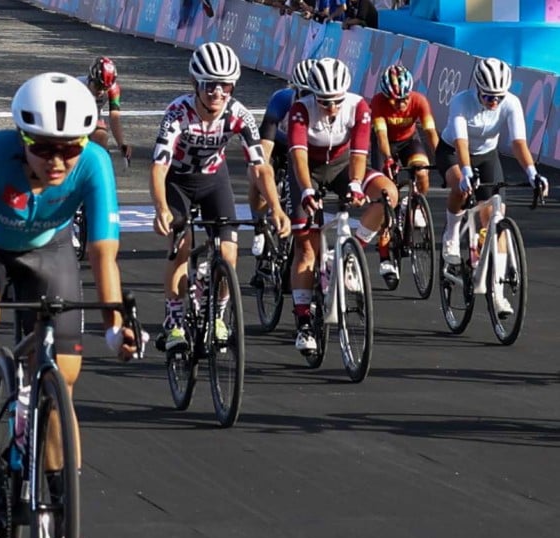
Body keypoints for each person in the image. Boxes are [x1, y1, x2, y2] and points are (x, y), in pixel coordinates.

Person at [0, 72, 144, 538]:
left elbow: (102, 254)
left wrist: (115, 322)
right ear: (21, 138)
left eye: (69, 149)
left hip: (47, 250)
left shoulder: (95, 164)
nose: (57, 161)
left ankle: (62, 523)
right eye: (43, 148)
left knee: (62, 385)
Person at [150, 42, 290, 351]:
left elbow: (261, 168)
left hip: (214, 180)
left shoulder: (238, 113)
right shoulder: (177, 112)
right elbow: (159, 167)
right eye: (209, 85)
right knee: (181, 248)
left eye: (225, 85)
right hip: (179, 182)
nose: (217, 92)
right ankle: (173, 321)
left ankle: (218, 315)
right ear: (195, 84)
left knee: (228, 254)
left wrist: (276, 209)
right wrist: (161, 208)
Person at [286, 57, 397, 352]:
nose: (332, 108)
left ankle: (352, 251)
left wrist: (355, 184)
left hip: (343, 164)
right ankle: (304, 321)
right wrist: (307, 190)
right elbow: (297, 155)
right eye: (324, 102)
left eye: (336, 101)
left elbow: (361, 149)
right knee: (306, 247)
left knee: (388, 195)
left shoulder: (359, 106)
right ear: (313, 95)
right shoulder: (300, 110)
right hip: (307, 168)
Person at [436, 57, 548, 317]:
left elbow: (519, 143)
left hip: (487, 156)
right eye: (488, 97)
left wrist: (532, 173)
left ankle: (496, 293)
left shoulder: (511, 103)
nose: (494, 102)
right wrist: (464, 172)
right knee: (462, 190)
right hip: (453, 152)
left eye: (498, 96)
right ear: (477, 88)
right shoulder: (461, 102)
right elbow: (461, 142)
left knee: (495, 220)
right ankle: (452, 235)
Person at [369, 63, 439, 286]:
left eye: (404, 99)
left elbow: (429, 132)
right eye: (395, 100)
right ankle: (384, 256)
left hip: (410, 141)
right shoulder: (378, 103)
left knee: (422, 171)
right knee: (386, 198)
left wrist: (442, 159)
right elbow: (380, 137)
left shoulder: (419, 101)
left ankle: (416, 204)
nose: (401, 104)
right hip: (386, 143)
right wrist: (388, 158)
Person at [248, 57, 316, 254]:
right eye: (304, 93)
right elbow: (264, 146)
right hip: (278, 142)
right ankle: (259, 225)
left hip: (304, 147)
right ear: (294, 89)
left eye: (313, 94)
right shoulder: (281, 99)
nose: (308, 99)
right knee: (258, 173)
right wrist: (262, 174)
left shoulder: (320, 105)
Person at [80, 57, 132, 164]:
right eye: (98, 86)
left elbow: (114, 118)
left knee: (101, 137)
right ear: (91, 78)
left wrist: (121, 144)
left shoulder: (114, 89)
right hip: (73, 118)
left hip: (93, 118)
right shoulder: (78, 86)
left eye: (105, 88)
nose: (101, 91)